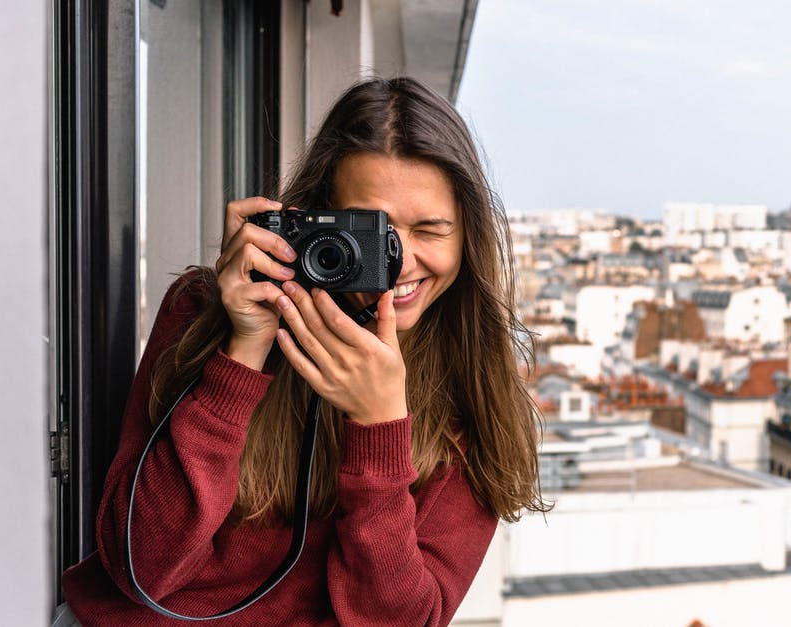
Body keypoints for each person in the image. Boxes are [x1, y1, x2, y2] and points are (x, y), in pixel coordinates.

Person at [59, 76, 548, 626]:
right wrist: (241, 349)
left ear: (467, 237)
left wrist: (380, 427)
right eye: (372, 230)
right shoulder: (203, 311)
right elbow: (141, 568)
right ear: (315, 217)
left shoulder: (472, 395)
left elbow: (398, 621)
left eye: (430, 231)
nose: (399, 262)